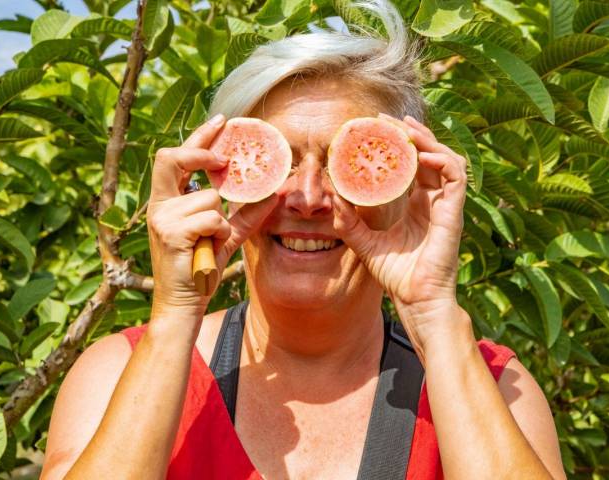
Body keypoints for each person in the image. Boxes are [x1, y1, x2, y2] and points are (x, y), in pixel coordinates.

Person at [40, 1, 566, 478]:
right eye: (277, 162)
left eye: (349, 162)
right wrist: (176, 312)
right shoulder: (116, 372)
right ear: (223, 180)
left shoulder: (492, 384)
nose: (308, 197)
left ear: (410, 188)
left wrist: (434, 318)